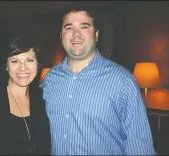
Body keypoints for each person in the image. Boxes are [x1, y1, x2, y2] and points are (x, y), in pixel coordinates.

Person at [40, 6, 155, 155]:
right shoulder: (49, 79)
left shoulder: (122, 80)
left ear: (96, 35)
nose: (76, 34)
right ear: (61, 35)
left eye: (84, 27)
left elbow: (139, 146)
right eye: (69, 28)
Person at [0, 36, 51, 155]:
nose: (23, 68)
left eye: (29, 60)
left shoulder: (43, 98)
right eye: (15, 61)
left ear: (38, 64)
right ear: (6, 66)